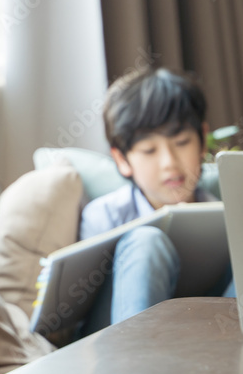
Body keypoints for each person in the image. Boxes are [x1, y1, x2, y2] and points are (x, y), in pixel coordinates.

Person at [77, 66, 225, 333]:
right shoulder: (104, 216)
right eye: (149, 150)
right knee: (146, 242)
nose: (170, 163)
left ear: (202, 141)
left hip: (200, 339)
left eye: (181, 142)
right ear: (122, 159)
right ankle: (137, 370)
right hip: (117, 339)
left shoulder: (220, 212)